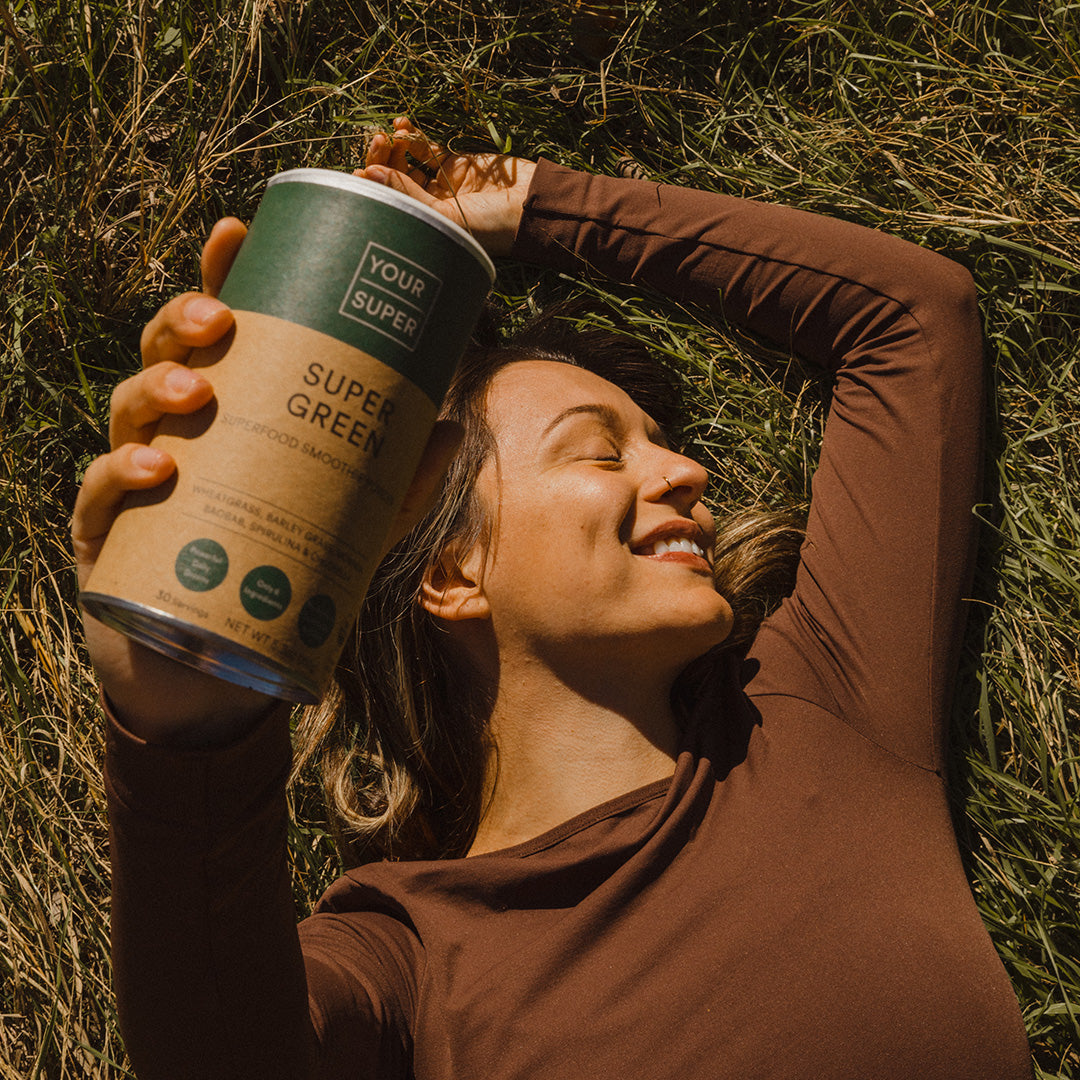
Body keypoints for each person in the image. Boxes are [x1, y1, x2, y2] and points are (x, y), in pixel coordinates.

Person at [72, 117, 1034, 1078]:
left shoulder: (823, 705)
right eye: (600, 449)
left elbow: (914, 318)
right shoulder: (409, 954)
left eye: (659, 440)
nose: (688, 471)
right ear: (452, 574)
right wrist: (187, 735)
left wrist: (519, 205)